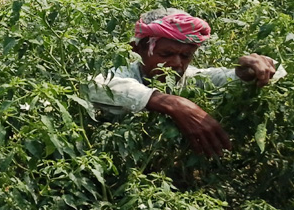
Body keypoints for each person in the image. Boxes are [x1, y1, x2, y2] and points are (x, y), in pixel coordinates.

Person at [88, 8, 279, 157]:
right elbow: (95, 85)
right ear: (137, 49)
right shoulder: (122, 73)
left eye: (186, 55)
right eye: (166, 54)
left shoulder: (190, 79)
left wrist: (248, 72)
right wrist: (172, 103)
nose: (177, 63)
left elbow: (223, 79)